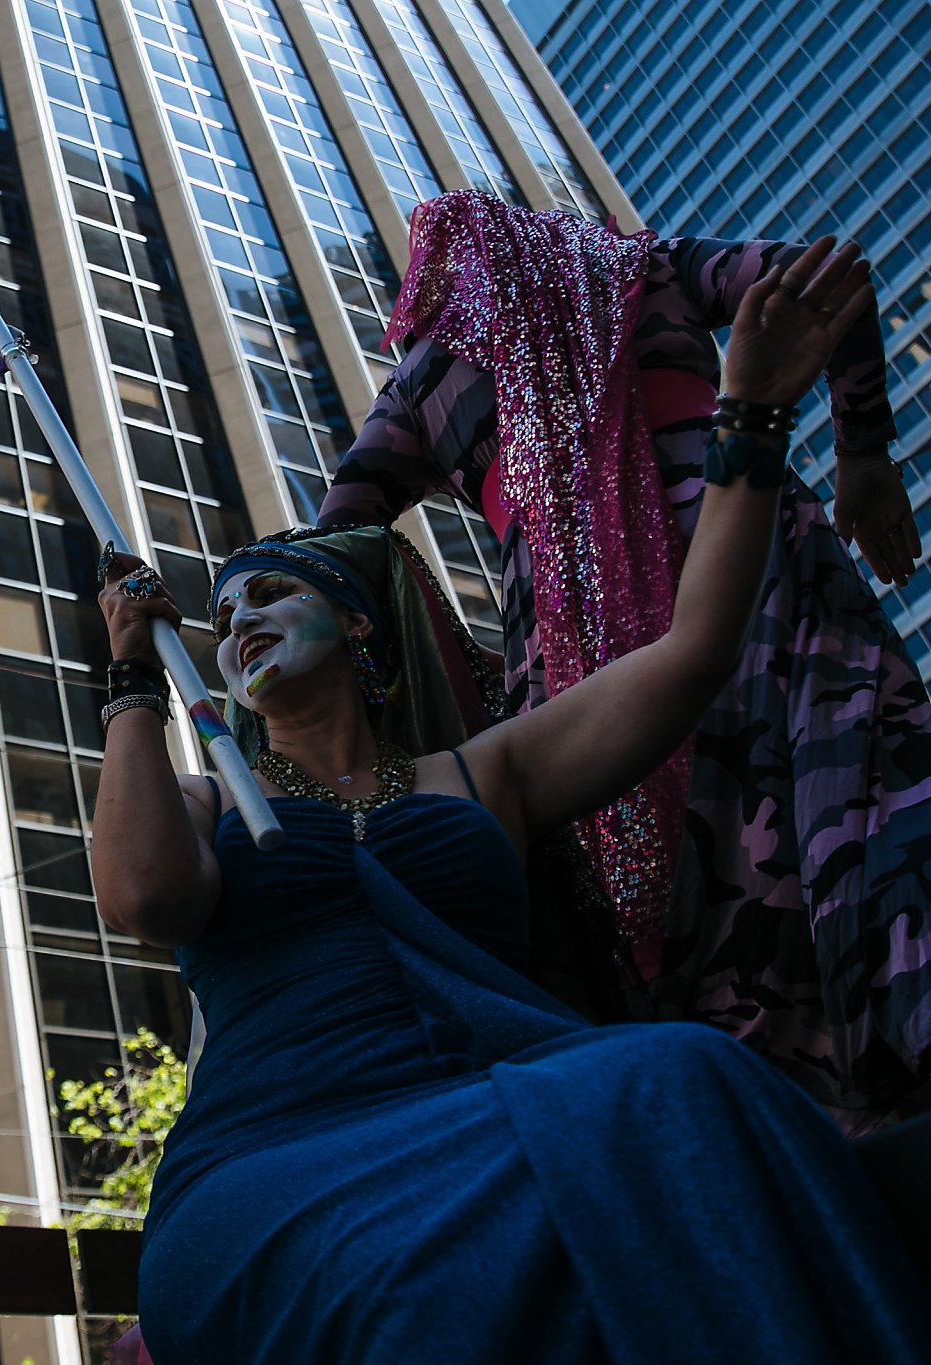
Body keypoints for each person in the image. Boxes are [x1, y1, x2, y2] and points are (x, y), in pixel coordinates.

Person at [93, 242, 928, 1361]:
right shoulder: (209, 801)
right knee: (446, 1253)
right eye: (223, 611)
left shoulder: (483, 772)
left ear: (354, 624)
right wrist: (133, 683)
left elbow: (688, 653)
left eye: (271, 593)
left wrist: (751, 419)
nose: (237, 621)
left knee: (679, 1072)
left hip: (505, 1098)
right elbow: (143, 893)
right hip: (275, 1148)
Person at [317, 192, 930, 1130]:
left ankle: (757, 1113)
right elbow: (824, 279)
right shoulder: (643, 266)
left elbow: (330, 551)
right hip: (745, 545)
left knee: (684, 873)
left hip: (573, 639)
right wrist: (864, 454)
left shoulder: (423, 380)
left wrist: (439, 686)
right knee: (846, 787)